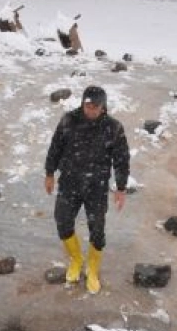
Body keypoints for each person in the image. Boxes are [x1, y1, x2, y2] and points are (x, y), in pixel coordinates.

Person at [44, 85, 131, 294]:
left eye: (95, 107)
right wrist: (49, 173)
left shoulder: (113, 127)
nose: (90, 110)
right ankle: (76, 259)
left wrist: (120, 188)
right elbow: (55, 147)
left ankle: (92, 268)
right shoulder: (68, 120)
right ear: (83, 103)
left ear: (103, 107)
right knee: (62, 221)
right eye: (87, 106)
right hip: (69, 182)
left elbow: (121, 159)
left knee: (97, 229)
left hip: (97, 187)